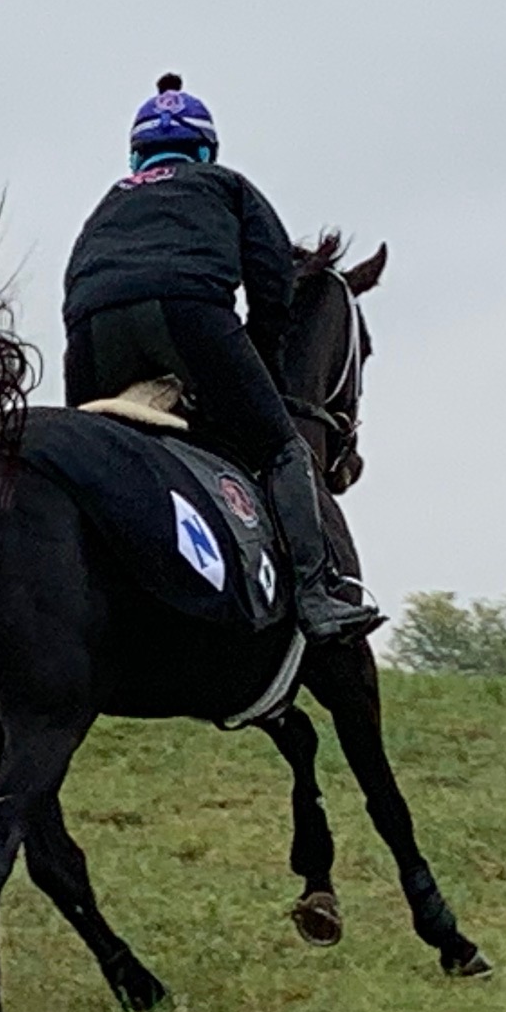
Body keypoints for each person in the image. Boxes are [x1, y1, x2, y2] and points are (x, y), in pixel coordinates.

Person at [63, 74, 383, 645]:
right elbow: (271, 282)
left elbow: (78, 277)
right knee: (282, 444)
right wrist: (256, 357)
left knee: (87, 455)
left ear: (136, 156)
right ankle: (316, 598)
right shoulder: (227, 184)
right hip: (187, 316)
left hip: (92, 330)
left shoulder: (110, 199)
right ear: (207, 150)